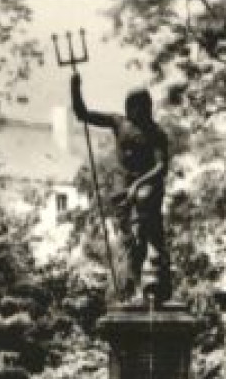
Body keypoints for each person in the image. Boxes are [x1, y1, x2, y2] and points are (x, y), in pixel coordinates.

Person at [71, 72, 173, 303]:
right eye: (133, 105)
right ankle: (133, 285)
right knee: (128, 240)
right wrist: (75, 88)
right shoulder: (119, 123)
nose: (136, 110)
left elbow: (161, 167)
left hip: (147, 185)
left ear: (147, 106)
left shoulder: (156, 133)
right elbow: (82, 114)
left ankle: (156, 282)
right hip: (122, 186)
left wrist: (137, 185)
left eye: (141, 105)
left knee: (148, 231)